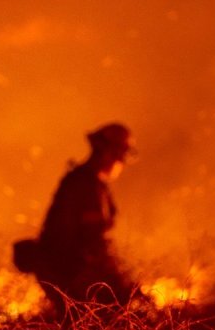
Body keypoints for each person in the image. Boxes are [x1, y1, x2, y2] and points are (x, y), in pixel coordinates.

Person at [23, 123, 138, 318]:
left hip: (69, 269)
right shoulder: (84, 186)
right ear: (110, 153)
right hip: (67, 272)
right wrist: (124, 286)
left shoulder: (92, 183)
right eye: (121, 156)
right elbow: (91, 243)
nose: (122, 163)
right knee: (104, 320)